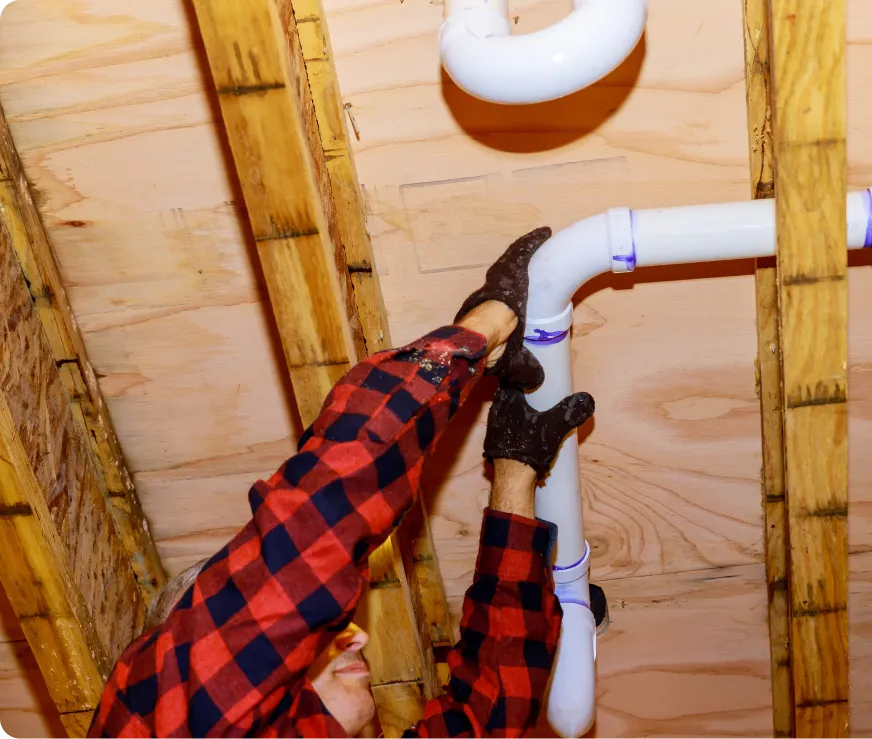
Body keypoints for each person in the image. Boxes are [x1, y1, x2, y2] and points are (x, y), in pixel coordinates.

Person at [88, 228, 596, 738]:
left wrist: (511, 460)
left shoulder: (172, 719)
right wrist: (486, 330)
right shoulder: (189, 708)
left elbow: (314, 535)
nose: (356, 636)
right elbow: (493, 714)